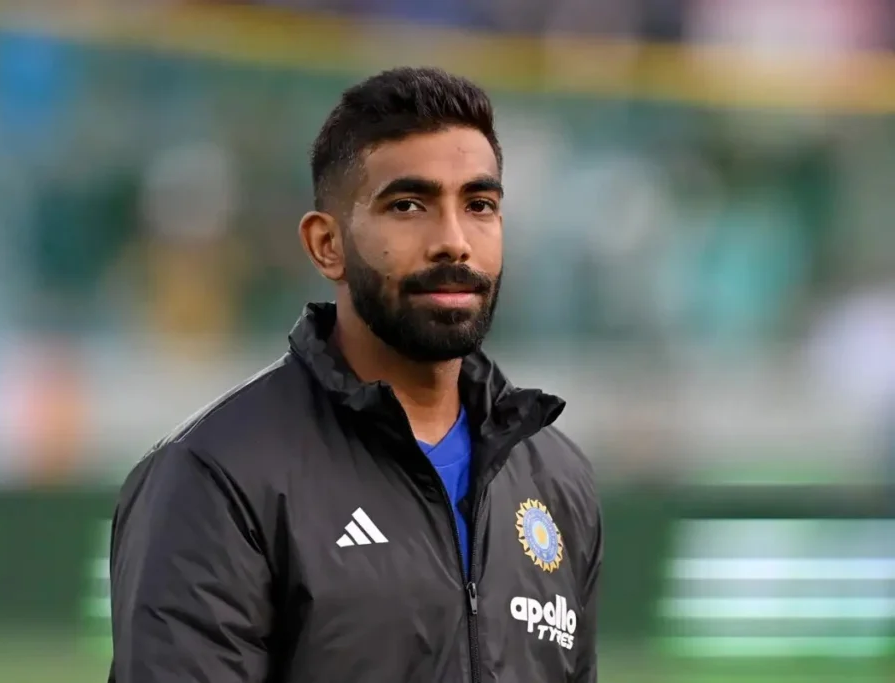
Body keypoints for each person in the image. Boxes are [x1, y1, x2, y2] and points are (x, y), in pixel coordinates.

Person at [108, 66, 603, 683]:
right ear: (326, 246)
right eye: (408, 205)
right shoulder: (218, 475)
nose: (453, 241)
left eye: (479, 205)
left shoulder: (557, 479)